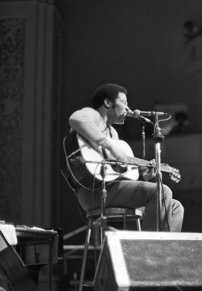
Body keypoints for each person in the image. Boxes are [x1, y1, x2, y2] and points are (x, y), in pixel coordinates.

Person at [68, 84, 184, 232]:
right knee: (162, 191)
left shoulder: (113, 133)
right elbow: (75, 119)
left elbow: (118, 174)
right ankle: (151, 251)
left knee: (175, 207)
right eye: (124, 103)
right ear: (108, 103)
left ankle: (166, 252)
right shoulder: (93, 116)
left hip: (112, 189)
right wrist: (110, 148)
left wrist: (145, 176)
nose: (128, 109)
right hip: (94, 191)